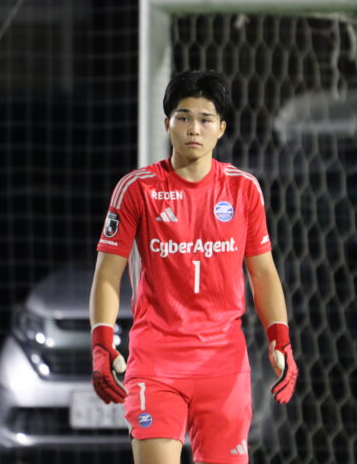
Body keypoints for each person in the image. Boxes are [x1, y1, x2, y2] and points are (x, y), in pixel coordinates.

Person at [89, 69, 298, 464]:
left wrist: (280, 336)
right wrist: (101, 342)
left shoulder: (243, 189)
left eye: (205, 119)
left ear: (221, 128)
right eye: (183, 117)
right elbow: (107, 275)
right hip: (156, 365)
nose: (194, 129)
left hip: (223, 368)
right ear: (167, 123)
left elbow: (263, 272)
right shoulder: (137, 189)